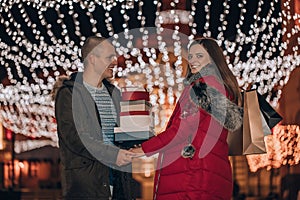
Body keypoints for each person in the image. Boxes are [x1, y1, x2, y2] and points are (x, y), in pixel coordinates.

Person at [131, 37, 243, 199]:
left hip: (192, 174)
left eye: (199, 56)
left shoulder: (202, 87)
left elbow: (181, 131)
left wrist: (142, 149)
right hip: (208, 172)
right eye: (190, 56)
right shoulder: (219, 86)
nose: (192, 60)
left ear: (212, 59)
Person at [52, 36, 139, 200]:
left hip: (120, 183)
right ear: (92, 58)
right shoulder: (69, 94)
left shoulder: (115, 93)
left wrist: (142, 135)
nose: (115, 61)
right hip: (87, 186)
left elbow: (121, 134)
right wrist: (113, 154)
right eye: (109, 57)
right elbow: (76, 137)